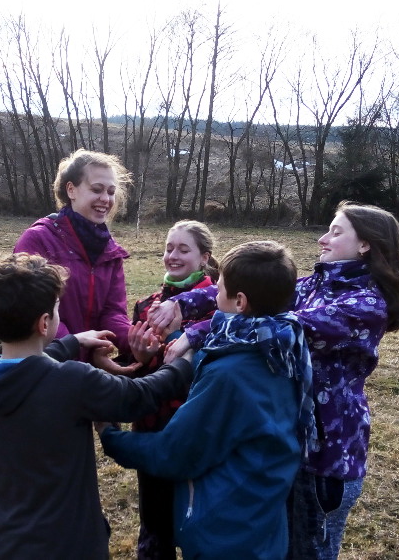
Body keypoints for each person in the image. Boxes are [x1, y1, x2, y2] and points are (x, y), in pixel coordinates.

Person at [151, 201, 399, 559]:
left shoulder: (366, 305)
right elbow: (250, 289)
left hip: (325, 460)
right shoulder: (315, 286)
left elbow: (278, 328)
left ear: (365, 244)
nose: (322, 239)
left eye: (336, 232)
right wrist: (182, 304)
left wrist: (195, 333)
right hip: (291, 450)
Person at [0, 252, 195, 560]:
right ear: (45, 323)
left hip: (4, 540)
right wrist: (182, 364)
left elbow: (30, 366)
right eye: (57, 308)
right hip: (66, 543)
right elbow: (137, 396)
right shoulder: (71, 381)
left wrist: (73, 341)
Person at [98, 240, 314, 560]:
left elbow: (175, 453)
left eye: (220, 288)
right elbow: (217, 353)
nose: (214, 294)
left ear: (240, 302)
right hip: (261, 521)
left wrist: (111, 436)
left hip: (225, 534)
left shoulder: (231, 374)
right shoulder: (284, 345)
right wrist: (176, 343)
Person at [124, 220, 219, 560]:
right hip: (153, 428)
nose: (172, 256)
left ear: (204, 257)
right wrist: (139, 358)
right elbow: (134, 371)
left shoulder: (222, 306)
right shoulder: (146, 305)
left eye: (183, 249)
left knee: (202, 528)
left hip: (198, 430)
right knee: (155, 524)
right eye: (168, 248)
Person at [12, 149, 133, 362]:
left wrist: (136, 342)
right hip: (45, 364)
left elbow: (113, 313)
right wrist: (73, 351)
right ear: (71, 190)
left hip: (87, 369)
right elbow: (34, 311)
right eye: (97, 189)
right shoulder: (38, 240)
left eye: (111, 192)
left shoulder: (110, 251)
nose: (106, 199)